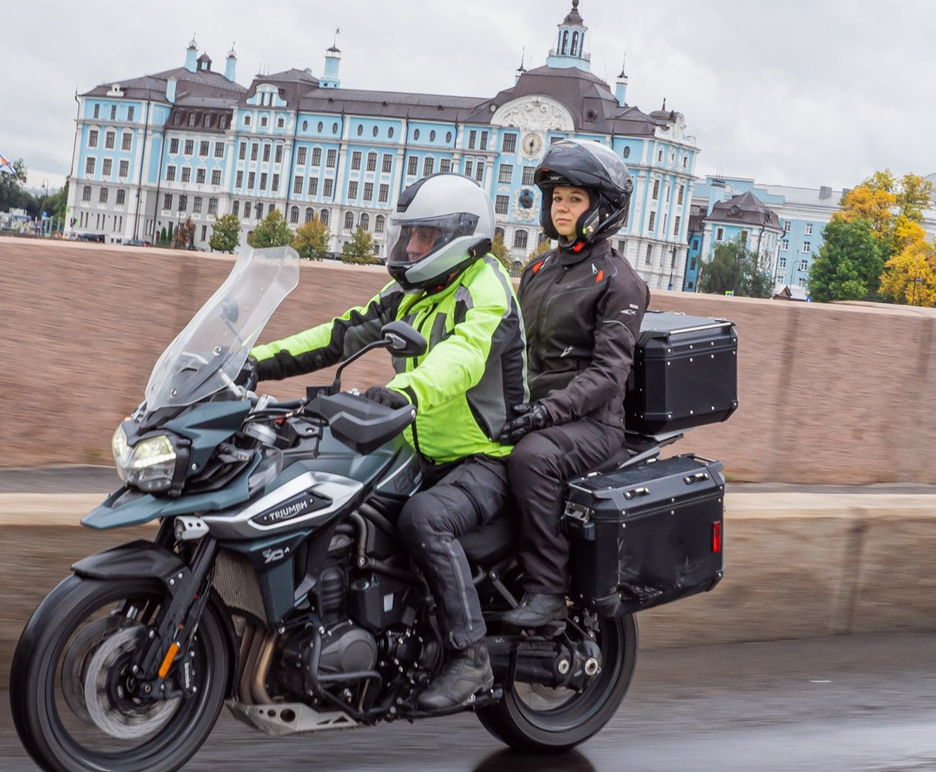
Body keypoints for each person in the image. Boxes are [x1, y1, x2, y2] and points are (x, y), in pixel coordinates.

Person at [247, 174, 526, 711]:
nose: (411, 248)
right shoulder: (412, 291)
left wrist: (403, 393)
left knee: (425, 518)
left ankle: (470, 656)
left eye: (424, 237)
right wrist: (254, 363)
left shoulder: (487, 291)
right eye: (409, 235)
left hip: (484, 456)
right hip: (419, 448)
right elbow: (340, 333)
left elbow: (461, 359)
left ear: (460, 239)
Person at [494, 138, 649, 631]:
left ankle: (547, 592)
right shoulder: (537, 269)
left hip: (593, 425)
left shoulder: (619, 281)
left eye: (575, 199)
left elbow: (608, 375)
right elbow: (512, 348)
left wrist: (544, 413)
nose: (561, 207)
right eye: (557, 197)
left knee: (532, 458)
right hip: (536, 412)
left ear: (602, 209)